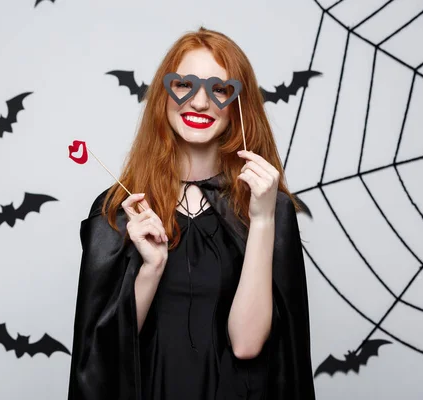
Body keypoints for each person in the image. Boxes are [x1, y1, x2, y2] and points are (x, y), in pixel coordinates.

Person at [67, 27, 315, 400]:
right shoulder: (122, 211)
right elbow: (105, 359)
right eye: (184, 84)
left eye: (219, 89)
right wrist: (149, 270)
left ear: (238, 107)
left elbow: (248, 346)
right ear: (163, 97)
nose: (200, 102)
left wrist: (263, 220)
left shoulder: (269, 208)